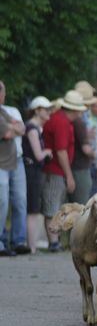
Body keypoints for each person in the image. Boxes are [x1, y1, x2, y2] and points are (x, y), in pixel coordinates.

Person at [42, 90, 88, 251]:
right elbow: (61, 151)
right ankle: (54, 243)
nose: (81, 112)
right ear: (74, 109)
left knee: (55, 203)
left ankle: (56, 242)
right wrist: (69, 176)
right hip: (55, 170)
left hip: (56, 169)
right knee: (53, 205)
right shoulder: (61, 122)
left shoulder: (61, 119)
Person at [22, 97, 53, 253]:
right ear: (37, 110)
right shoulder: (32, 129)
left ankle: (32, 244)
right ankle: (31, 246)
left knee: (34, 208)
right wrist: (47, 152)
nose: (48, 112)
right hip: (32, 171)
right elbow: (38, 155)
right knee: (33, 209)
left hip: (34, 171)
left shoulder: (35, 128)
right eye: (45, 109)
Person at [0, 80, 27, 255]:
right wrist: (13, 127)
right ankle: (1, 242)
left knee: (20, 201)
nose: (3, 94)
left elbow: (22, 129)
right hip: (1, 162)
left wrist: (12, 127)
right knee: (2, 202)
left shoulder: (8, 110)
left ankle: (18, 241)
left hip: (17, 161)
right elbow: (9, 133)